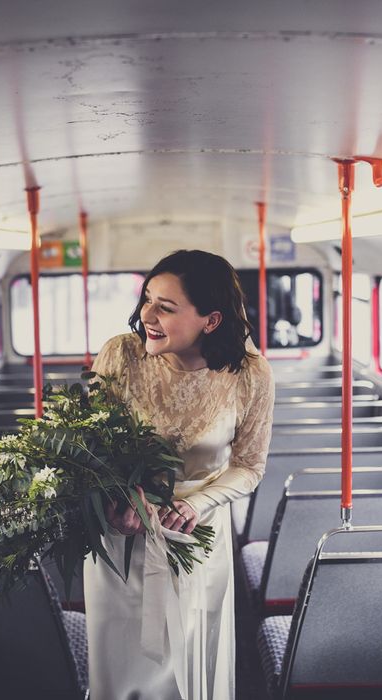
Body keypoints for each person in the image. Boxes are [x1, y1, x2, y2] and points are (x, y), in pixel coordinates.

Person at [83, 249, 275, 699]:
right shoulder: (119, 356)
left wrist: (195, 503)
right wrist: (118, 497)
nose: (147, 314)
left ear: (211, 320)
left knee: (189, 653)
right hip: (122, 530)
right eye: (148, 298)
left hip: (196, 533)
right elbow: (90, 446)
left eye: (166, 307)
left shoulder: (252, 375)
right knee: (124, 660)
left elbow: (250, 466)